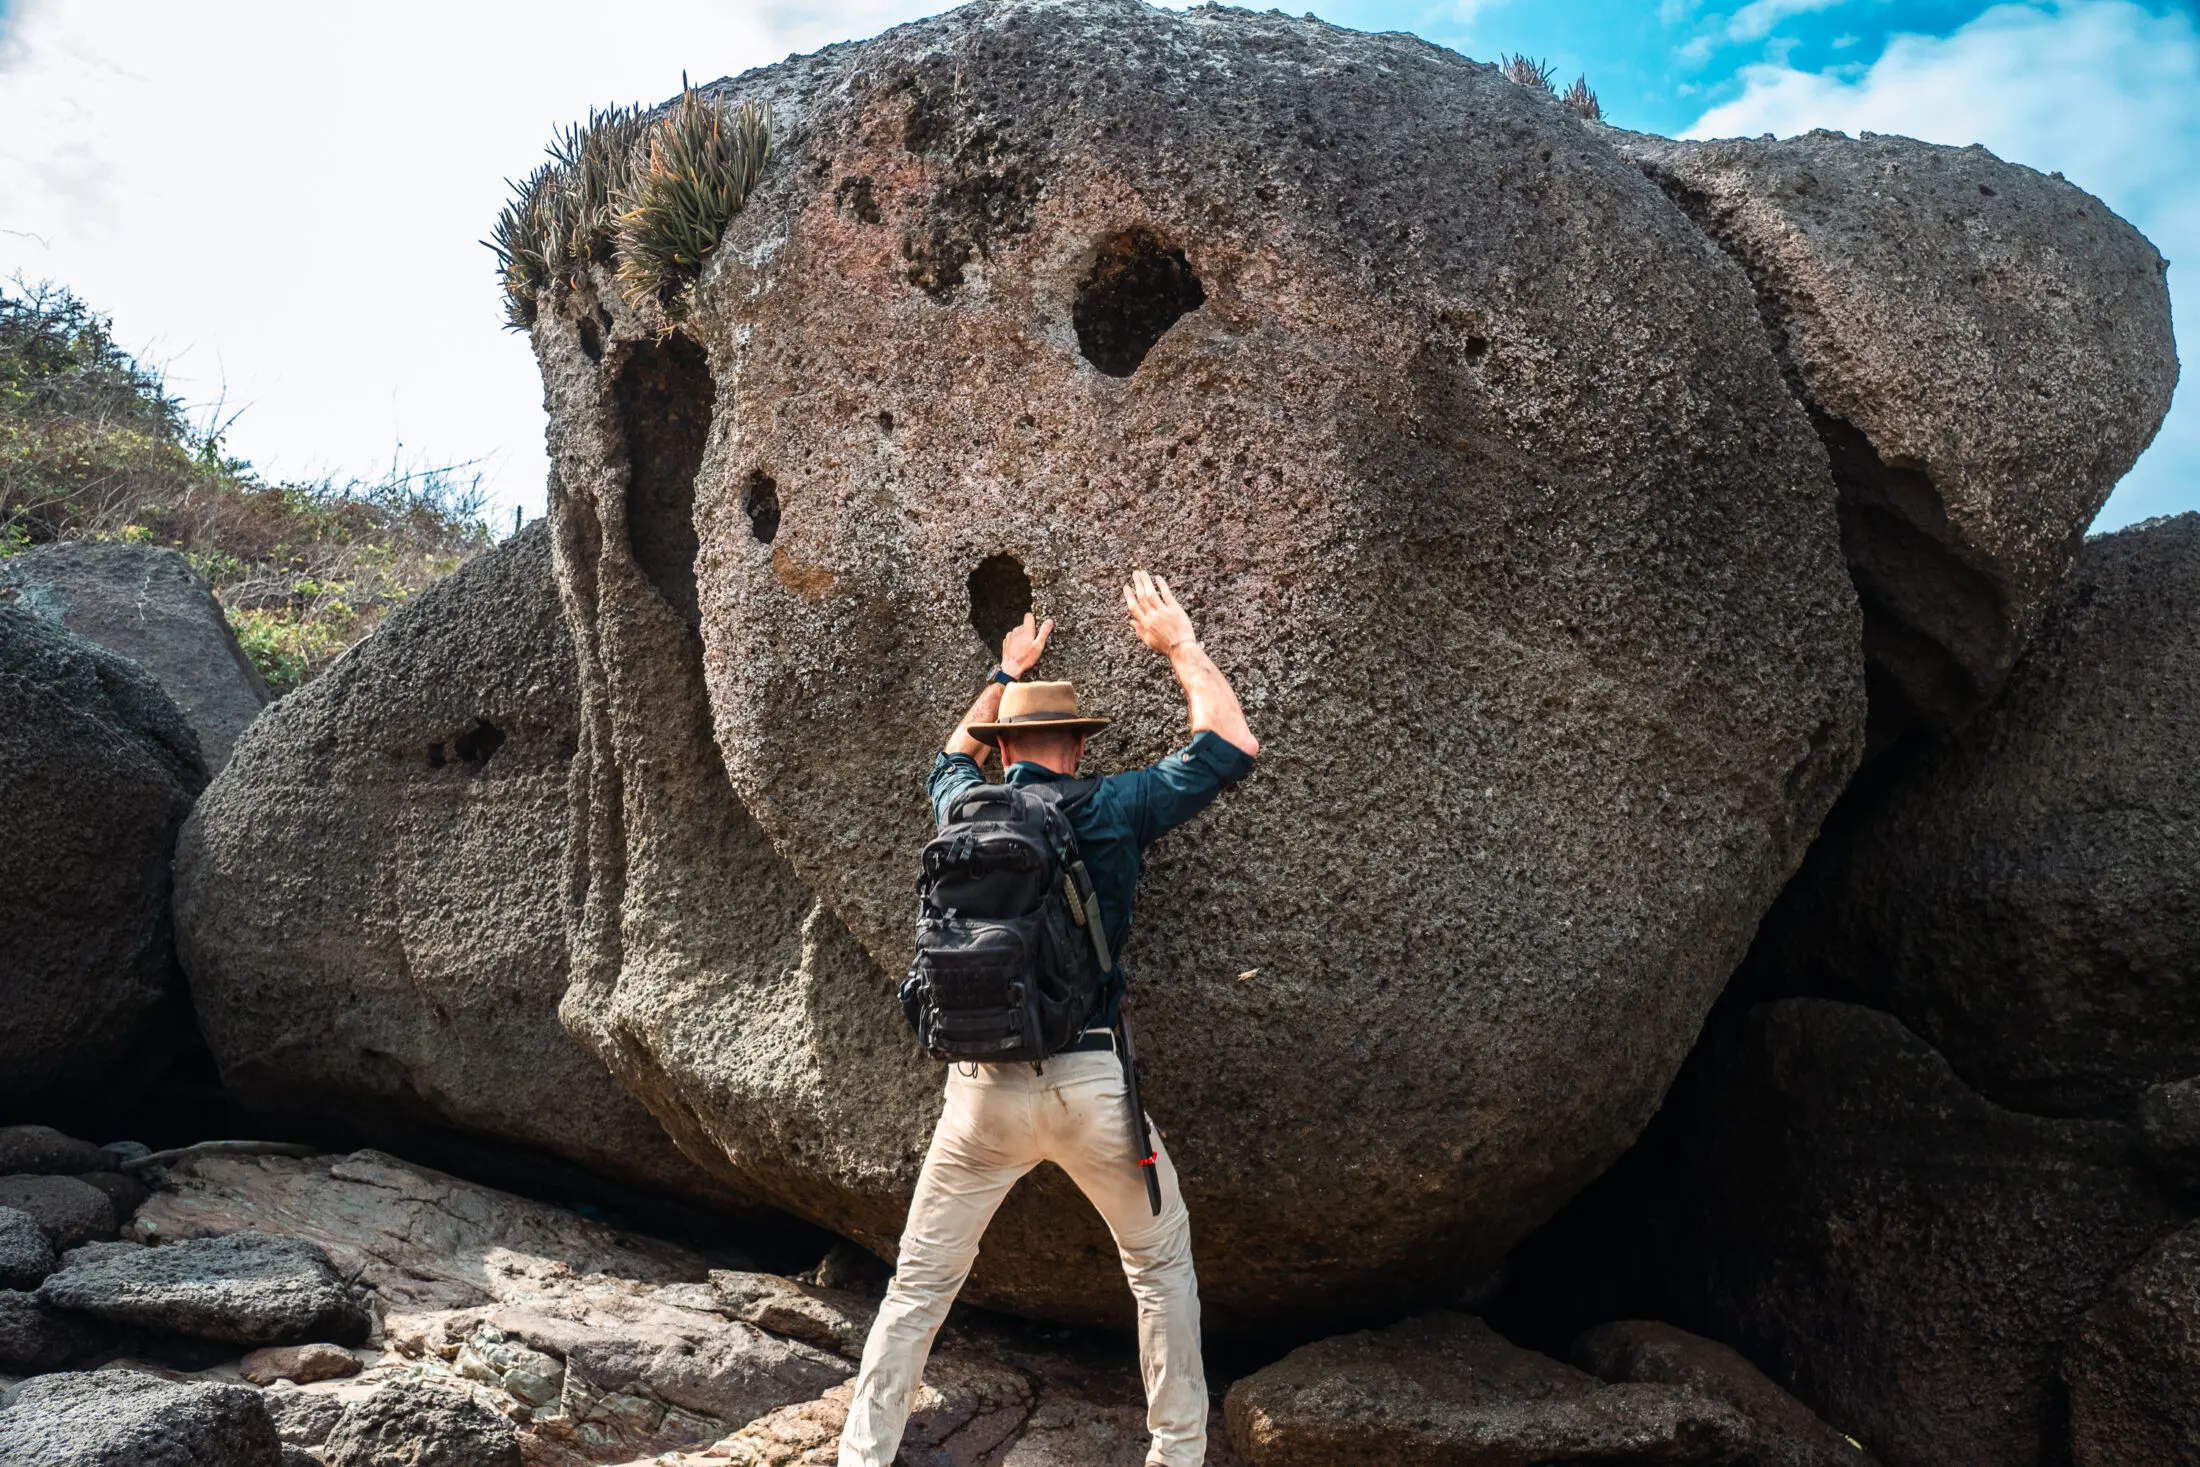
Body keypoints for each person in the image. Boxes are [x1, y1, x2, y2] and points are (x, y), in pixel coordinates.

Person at [836, 570, 1261, 1467]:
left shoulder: (963, 803)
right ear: (1074, 741)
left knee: (919, 1285)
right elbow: (1231, 742)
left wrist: (1004, 667)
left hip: (980, 1091)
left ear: (1005, 746)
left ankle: (860, 1457)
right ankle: (1176, 1456)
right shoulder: (1111, 807)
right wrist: (1178, 643)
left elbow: (946, 758)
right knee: (1158, 1269)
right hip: (1092, 1083)